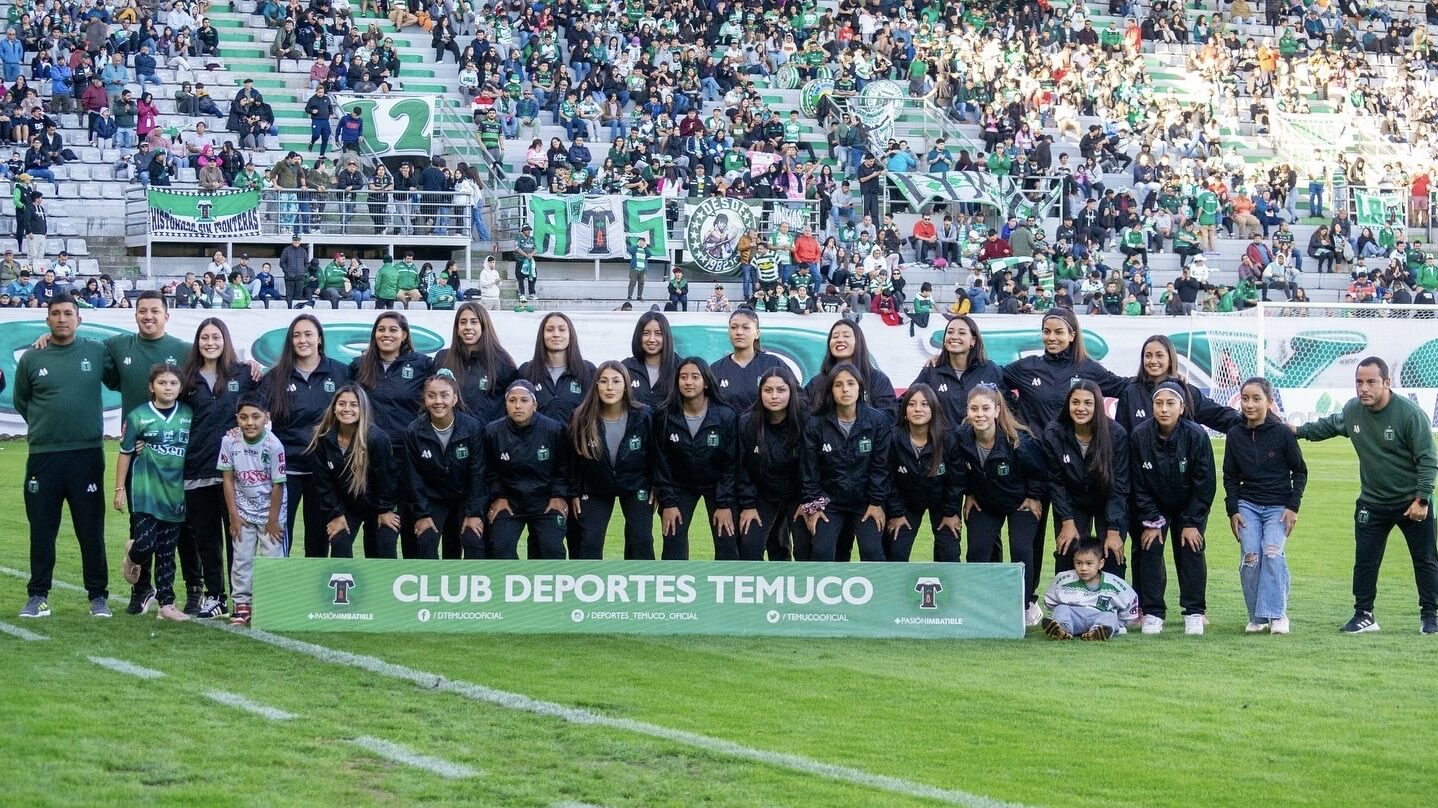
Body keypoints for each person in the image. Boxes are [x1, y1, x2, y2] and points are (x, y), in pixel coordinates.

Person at [1295, 357, 1438, 634]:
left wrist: (1423, 499)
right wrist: (1297, 431)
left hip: (1411, 502)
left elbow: (1428, 459)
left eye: (1371, 382)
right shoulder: (1353, 411)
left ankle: (1430, 616)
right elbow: (1327, 426)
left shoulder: (1409, 414)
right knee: (1365, 560)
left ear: (1386, 382)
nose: (1364, 388)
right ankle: (1364, 615)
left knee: (1425, 559)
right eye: (1359, 382)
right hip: (1372, 502)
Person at [14, 296, 107, 619]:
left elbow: (127, 375)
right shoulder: (31, 357)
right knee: (42, 530)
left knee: (90, 529)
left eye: (68, 314)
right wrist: (47, 429)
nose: (62, 319)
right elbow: (22, 401)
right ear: (47, 319)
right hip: (44, 457)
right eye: (55, 313)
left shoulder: (97, 351)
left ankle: (98, 597)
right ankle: (38, 596)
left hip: (87, 455)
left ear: (79, 320)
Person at [177, 318, 258, 620]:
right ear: (197, 342)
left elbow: (260, 411)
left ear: (225, 340)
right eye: (204, 338)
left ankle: (242, 599)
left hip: (235, 474)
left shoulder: (243, 374)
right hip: (196, 468)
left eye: (216, 337)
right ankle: (215, 596)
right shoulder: (185, 379)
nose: (210, 342)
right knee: (207, 539)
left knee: (238, 536)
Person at [257, 314, 350, 556]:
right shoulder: (275, 376)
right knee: (279, 533)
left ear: (319, 339)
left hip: (325, 469)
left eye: (308, 334)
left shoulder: (340, 373)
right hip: (286, 469)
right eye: (296, 335)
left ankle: (312, 590)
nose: (302, 340)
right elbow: (254, 413)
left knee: (318, 535)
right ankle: (283, 588)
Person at [1129, 382, 1216, 636]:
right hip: (1155, 507)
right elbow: (1138, 484)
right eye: (1159, 403)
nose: (1164, 409)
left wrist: (1191, 521)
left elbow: (1205, 482)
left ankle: (1194, 612)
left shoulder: (1196, 434)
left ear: (1181, 407)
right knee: (1149, 547)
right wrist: (1151, 520)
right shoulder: (1139, 436)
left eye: (1170, 404)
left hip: (1189, 505)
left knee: (1191, 548)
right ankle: (1153, 612)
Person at [1225, 377, 1306, 635]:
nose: (1249, 404)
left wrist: (1292, 507)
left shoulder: (1282, 433)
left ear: (1269, 402)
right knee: (1251, 556)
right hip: (1247, 505)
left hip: (1278, 508)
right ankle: (1257, 617)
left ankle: (1278, 615)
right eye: (1245, 398)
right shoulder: (1235, 434)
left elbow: (1300, 472)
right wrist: (1233, 509)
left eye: (1256, 399)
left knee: (1271, 553)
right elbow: (1229, 476)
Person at [115, 364, 194, 622]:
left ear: (180, 387)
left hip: (175, 494)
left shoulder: (188, 414)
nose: (168, 387)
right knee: (146, 545)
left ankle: (167, 605)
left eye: (173, 383)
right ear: (151, 387)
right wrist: (119, 489)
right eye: (162, 383)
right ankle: (133, 553)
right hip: (145, 493)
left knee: (167, 552)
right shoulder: (138, 416)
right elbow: (125, 453)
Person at [800, 363, 893, 562]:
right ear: (830, 390)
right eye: (838, 385)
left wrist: (876, 502)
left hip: (866, 501)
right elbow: (810, 471)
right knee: (821, 552)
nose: (845, 389)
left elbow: (881, 467)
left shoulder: (878, 422)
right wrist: (814, 506)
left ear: (860, 388)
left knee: (872, 552)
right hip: (828, 502)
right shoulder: (815, 425)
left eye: (851, 383)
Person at [1042, 380, 1130, 580]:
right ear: (1068, 404)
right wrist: (1066, 520)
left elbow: (1120, 485)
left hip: (1107, 500)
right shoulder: (1053, 433)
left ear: (1097, 405)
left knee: (1111, 550)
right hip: (1073, 502)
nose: (1081, 408)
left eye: (1088, 403)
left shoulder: (1116, 434)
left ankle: (1110, 605)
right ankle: (1067, 604)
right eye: (1075, 402)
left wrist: (1114, 529)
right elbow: (1055, 482)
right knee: (1068, 548)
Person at [653, 357, 740, 560]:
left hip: (716, 486)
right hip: (679, 486)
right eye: (683, 377)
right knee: (673, 540)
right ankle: (674, 587)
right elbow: (661, 462)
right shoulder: (665, 415)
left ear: (706, 382)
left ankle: (726, 588)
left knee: (726, 540)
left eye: (695, 377)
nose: (688, 382)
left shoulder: (726, 415)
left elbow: (731, 463)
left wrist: (724, 504)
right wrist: (668, 502)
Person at [568, 361, 655, 560]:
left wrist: (656, 486)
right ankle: (588, 586)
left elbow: (655, 455)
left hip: (635, 485)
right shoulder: (581, 417)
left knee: (640, 538)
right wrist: (574, 492)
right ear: (596, 385)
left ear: (626, 385)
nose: (610, 387)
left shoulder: (643, 415)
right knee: (590, 540)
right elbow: (573, 460)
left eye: (616, 381)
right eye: (604, 381)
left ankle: (641, 586)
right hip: (595, 486)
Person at [305, 385, 400, 558]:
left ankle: (382, 584)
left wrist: (385, 510)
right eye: (342, 404)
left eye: (353, 404)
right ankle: (343, 584)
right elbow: (323, 482)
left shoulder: (377, 438)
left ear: (362, 408)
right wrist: (336, 514)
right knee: (339, 541)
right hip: (345, 505)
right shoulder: (321, 438)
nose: (347, 409)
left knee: (384, 544)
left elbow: (387, 478)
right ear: (334, 408)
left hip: (377, 504)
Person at [217, 395, 287, 627]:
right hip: (243, 513)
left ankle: (269, 604)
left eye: (256, 417)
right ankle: (242, 605)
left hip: (271, 514)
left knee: (271, 561)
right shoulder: (230, 442)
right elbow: (228, 480)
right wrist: (233, 516)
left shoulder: (274, 445)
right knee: (241, 560)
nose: (250, 423)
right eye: (244, 417)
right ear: (237, 418)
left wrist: (273, 520)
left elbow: (278, 484)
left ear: (266, 418)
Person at [403, 370, 487, 559]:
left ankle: (470, 586)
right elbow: (413, 477)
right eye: (431, 396)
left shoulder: (472, 428)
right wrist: (422, 514)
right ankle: (429, 587)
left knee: (473, 539)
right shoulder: (414, 431)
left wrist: (473, 512)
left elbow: (478, 473)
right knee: (425, 540)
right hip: (433, 497)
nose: (438, 401)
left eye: (444, 395)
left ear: (455, 398)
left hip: (464, 496)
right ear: (425, 399)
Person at [482, 380, 569, 559]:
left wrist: (557, 495)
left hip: (545, 500)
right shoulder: (492, 432)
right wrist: (499, 496)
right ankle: (508, 585)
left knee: (552, 549)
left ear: (534, 404)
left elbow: (564, 467)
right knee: (500, 548)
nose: (518, 406)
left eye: (524, 400)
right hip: (509, 500)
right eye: (512, 401)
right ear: (505, 404)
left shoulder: (554, 430)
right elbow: (490, 471)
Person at [885, 385, 963, 563]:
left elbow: (957, 480)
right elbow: (886, 478)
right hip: (905, 503)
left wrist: (951, 513)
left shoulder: (948, 439)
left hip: (942, 503)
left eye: (924, 404)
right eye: (912, 404)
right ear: (904, 411)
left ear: (933, 409)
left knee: (949, 553)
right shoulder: (893, 438)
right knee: (896, 552)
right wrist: (896, 513)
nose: (918, 409)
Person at [737, 366, 807, 561]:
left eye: (781, 390)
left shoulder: (806, 420)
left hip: (798, 495)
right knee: (750, 546)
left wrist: (808, 501)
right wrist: (748, 505)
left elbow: (812, 466)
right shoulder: (747, 423)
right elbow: (742, 468)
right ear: (760, 393)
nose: (774, 396)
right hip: (762, 494)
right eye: (768, 390)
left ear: (791, 392)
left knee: (805, 546)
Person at [1116, 335, 1243, 435]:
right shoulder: (1131, 392)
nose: (1153, 361)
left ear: (1170, 359)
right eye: (1148, 356)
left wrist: (1250, 422)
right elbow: (1121, 438)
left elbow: (1217, 415)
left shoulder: (1187, 391)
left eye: (1159, 355)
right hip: (1141, 467)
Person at [909, 315, 1005, 428]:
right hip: (942, 443)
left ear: (973, 340)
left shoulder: (989, 369)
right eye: (950, 332)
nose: (954, 336)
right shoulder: (932, 370)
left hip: (977, 443)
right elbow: (907, 401)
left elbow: (1007, 406)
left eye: (962, 333)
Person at [434, 302, 517, 426]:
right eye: (463, 322)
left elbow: (513, 403)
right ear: (457, 329)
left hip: (487, 439)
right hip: (452, 438)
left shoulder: (502, 360)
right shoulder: (443, 359)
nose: (468, 327)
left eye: (474, 322)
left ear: (484, 326)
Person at [1040, 541, 1140, 641]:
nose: (1083, 568)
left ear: (1101, 563)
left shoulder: (1116, 584)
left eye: (1089, 563)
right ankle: (1062, 630)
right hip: (1073, 618)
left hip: (1099, 616)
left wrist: (1120, 623)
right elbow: (1050, 601)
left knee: (1110, 616)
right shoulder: (1063, 579)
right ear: (1073, 561)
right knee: (1061, 608)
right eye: (1078, 563)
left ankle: (1097, 632)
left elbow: (1130, 602)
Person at [803, 320, 899, 417]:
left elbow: (889, 415)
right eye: (835, 336)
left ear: (858, 341)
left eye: (846, 336)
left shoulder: (877, 379)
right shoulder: (816, 383)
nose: (839, 340)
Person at [517, 312, 595, 425]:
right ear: (542, 335)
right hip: (537, 441)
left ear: (570, 335)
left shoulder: (588, 370)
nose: (556, 334)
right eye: (550, 330)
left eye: (562, 330)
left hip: (575, 441)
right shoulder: (526, 371)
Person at [709, 308, 785, 416]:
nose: (739, 332)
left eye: (745, 328)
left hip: (764, 431)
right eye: (733, 327)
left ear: (757, 333)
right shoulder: (716, 369)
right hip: (728, 432)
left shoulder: (773, 364)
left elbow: (798, 397)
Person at [620, 311, 676, 409]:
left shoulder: (680, 367)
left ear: (666, 336)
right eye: (646, 333)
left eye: (658, 334)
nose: (652, 339)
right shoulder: (625, 368)